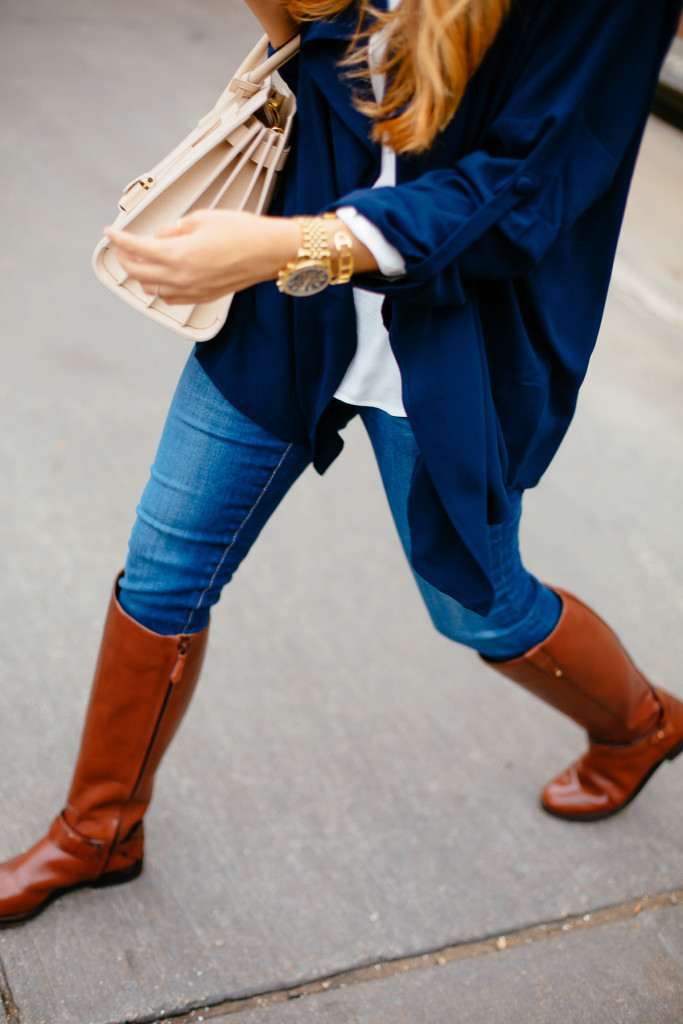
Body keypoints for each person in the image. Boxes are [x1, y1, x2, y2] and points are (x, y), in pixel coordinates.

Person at [1, 0, 681, 927]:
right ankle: (99, 830)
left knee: (474, 606)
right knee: (163, 572)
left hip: (455, 342)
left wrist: (289, 244)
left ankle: (638, 725)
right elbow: (331, 64)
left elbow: (529, 184)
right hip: (294, 305)